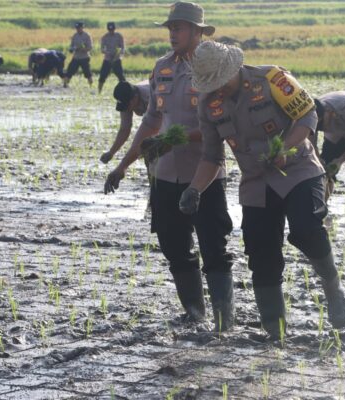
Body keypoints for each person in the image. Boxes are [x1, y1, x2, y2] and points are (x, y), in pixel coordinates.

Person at [183, 41, 345, 338]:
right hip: (256, 182)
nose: (218, 88)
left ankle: (333, 289)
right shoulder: (209, 105)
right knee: (261, 255)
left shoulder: (273, 79)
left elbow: (307, 116)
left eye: (221, 81)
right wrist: (195, 188)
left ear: (233, 70)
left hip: (298, 169)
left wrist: (286, 148)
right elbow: (212, 157)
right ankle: (275, 333)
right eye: (211, 84)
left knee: (306, 229)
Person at [104, 2, 235, 330]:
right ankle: (194, 313)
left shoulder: (212, 69)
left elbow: (219, 124)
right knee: (174, 246)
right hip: (165, 175)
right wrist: (121, 167)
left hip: (204, 174)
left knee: (214, 247)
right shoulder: (162, 67)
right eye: (170, 28)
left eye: (179, 28)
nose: (173, 34)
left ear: (197, 32)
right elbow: (151, 121)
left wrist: (177, 139)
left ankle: (224, 320)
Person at [100, 80, 150, 164]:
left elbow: (154, 126)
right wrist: (111, 152)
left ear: (135, 97)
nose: (126, 109)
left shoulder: (151, 97)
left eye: (127, 105)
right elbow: (125, 129)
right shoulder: (124, 99)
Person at [98, 22, 125, 94]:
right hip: (107, 59)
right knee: (102, 76)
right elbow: (102, 49)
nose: (111, 31)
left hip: (116, 59)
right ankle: (99, 91)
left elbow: (122, 48)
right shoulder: (104, 37)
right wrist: (107, 52)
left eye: (112, 29)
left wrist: (118, 53)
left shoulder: (119, 36)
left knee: (121, 77)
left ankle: (125, 91)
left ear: (114, 29)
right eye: (110, 30)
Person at [64, 22, 93, 88]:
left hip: (84, 57)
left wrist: (82, 49)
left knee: (87, 72)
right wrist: (72, 49)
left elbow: (90, 47)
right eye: (77, 28)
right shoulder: (75, 36)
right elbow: (71, 46)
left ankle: (91, 85)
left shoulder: (87, 36)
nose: (78, 29)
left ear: (82, 28)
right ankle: (65, 84)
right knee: (70, 70)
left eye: (79, 28)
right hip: (76, 57)